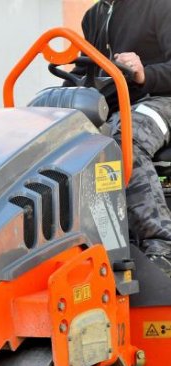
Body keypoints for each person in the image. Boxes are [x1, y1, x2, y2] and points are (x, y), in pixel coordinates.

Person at [75, 0, 171, 275]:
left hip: (160, 99)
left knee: (123, 141)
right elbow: (83, 72)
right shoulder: (93, 16)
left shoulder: (159, 6)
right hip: (117, 106)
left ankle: (163, 243)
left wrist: (144, 74)